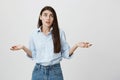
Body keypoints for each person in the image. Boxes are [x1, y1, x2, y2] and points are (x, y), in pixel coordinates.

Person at [10, 6, 92, 80]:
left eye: (51, 16)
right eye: (45, 15)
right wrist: (23, 47)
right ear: (40, 17)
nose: (48, 18)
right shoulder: (34, 34)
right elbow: (33, 55)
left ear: (54, 19)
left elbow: (66, 53)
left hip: (55, 72)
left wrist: (76, 45)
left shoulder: (59, 33)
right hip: (38, 72)